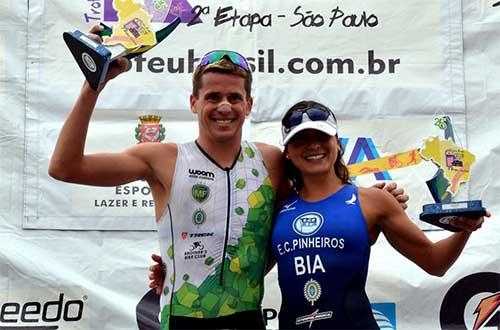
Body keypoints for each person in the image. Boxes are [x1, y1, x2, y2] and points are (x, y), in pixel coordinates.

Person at [50, 26, 406, 328]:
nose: (224, 106)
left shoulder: (270, 160)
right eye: (213, 96)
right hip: (183, 319)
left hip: (248, 318)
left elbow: (317, 203)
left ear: (249, 105)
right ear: (193, 102)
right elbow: (65, 168)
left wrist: (374, 200)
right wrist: (93, 85)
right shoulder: (162, 158)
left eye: (234, 97)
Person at [269, 100, 489, 329]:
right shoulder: (277, 209)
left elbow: (435, 262)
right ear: (287, 152)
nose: (313, 146)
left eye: (321, 137)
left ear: (337, 143)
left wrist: (465, 229)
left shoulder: (373, 202)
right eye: (301, 139)